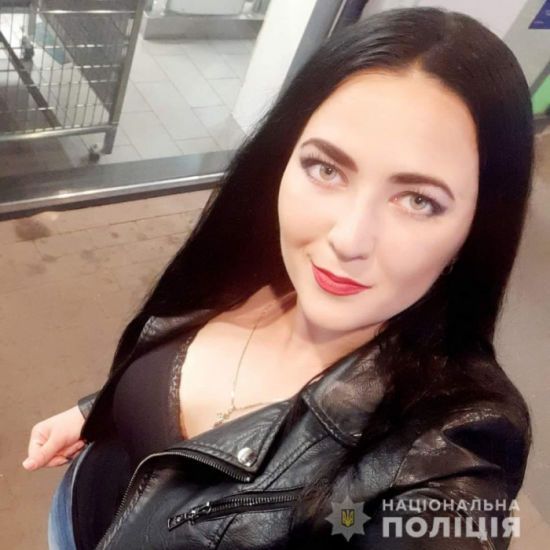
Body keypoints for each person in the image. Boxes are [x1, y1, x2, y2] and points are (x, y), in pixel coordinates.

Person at [23, 6, 534, 549]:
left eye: (418, 200)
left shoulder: (458, 442)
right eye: (326, 169)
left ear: (477, 226)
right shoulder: (253, 262)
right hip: (76, 507)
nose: (348, 239)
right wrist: (100, 410)